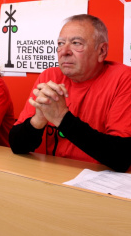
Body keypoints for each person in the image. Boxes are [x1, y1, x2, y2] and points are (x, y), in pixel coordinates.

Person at [9, 14, 131, 172]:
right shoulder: (49, 77)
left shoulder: (123, 79)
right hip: (51, 176)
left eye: (76, 43)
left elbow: (121, 157)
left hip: (99, 186)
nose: (64, 51)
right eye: (60, 43)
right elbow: (16, 145)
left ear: (102, 51)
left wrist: (62, 118)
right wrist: (37, 121)